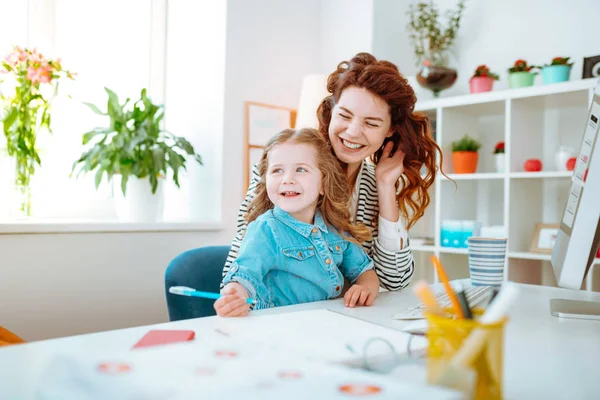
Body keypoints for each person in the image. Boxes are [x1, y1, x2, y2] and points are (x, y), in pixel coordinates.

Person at [164, 52, 443, 320]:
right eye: (345, 116)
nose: (353, 132)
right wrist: (235, 293)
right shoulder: (283, 173)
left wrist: (385, 186)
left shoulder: (375, 181)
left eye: (371, 123)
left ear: (390, 130)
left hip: (342, 320)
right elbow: (243, 251)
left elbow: (395, 282)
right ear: (331, 113)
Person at [215, 128, 379, 317]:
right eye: (277, 170)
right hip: (278, 329)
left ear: (324, 184)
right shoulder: (266, 230)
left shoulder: (334, 229)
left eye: (301, 169)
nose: (288, 179)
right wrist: (233, 296)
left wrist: (365, 288)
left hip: (323, 326)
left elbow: (365, 271)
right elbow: (243, 278)